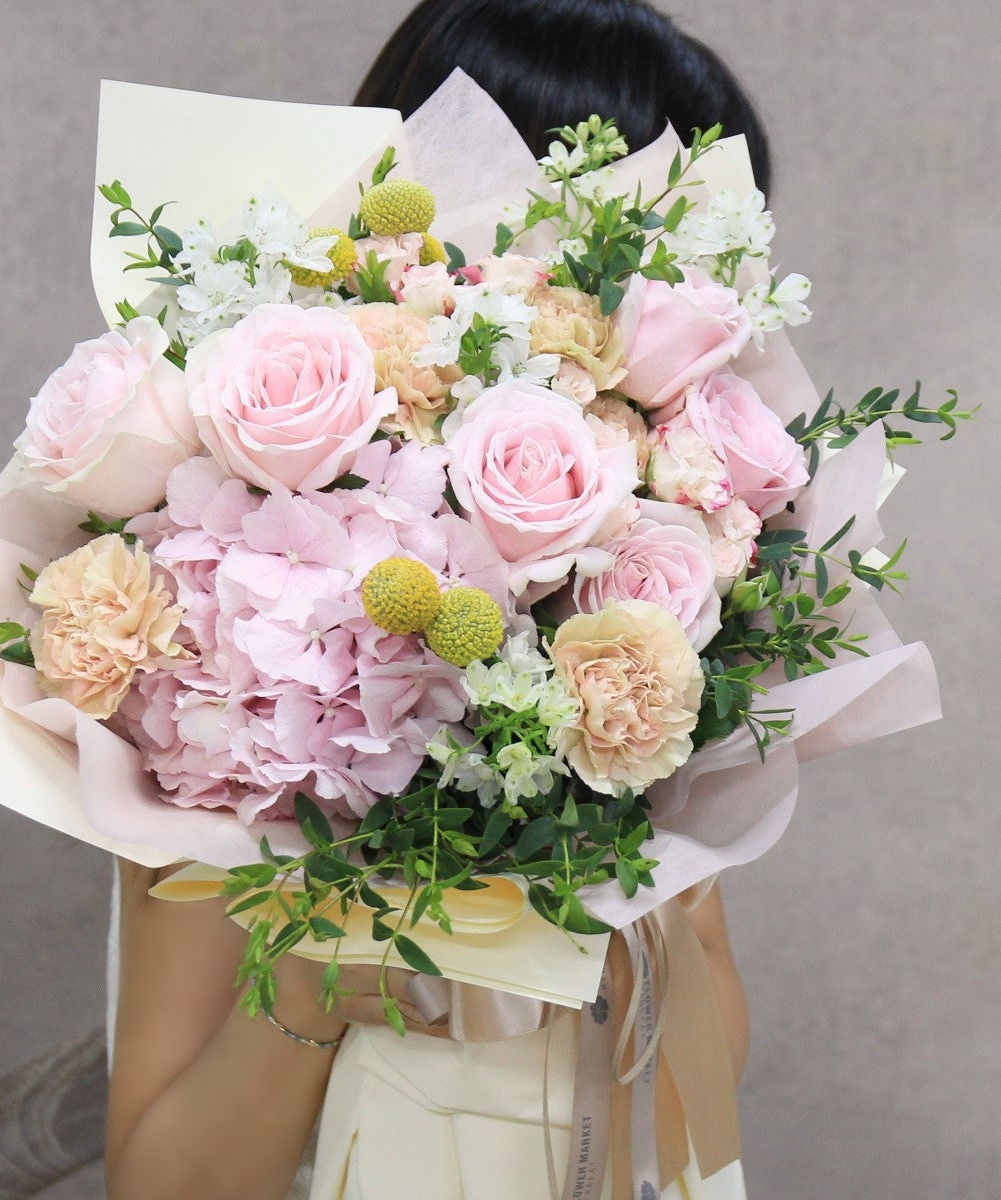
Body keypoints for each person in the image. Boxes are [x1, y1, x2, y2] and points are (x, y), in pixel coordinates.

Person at [106, 3, 765, 1197]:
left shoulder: (656, 622)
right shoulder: (233, 667)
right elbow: (158, 1183)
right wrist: (316, 979)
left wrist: (652, 888)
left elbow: (692, 1118)